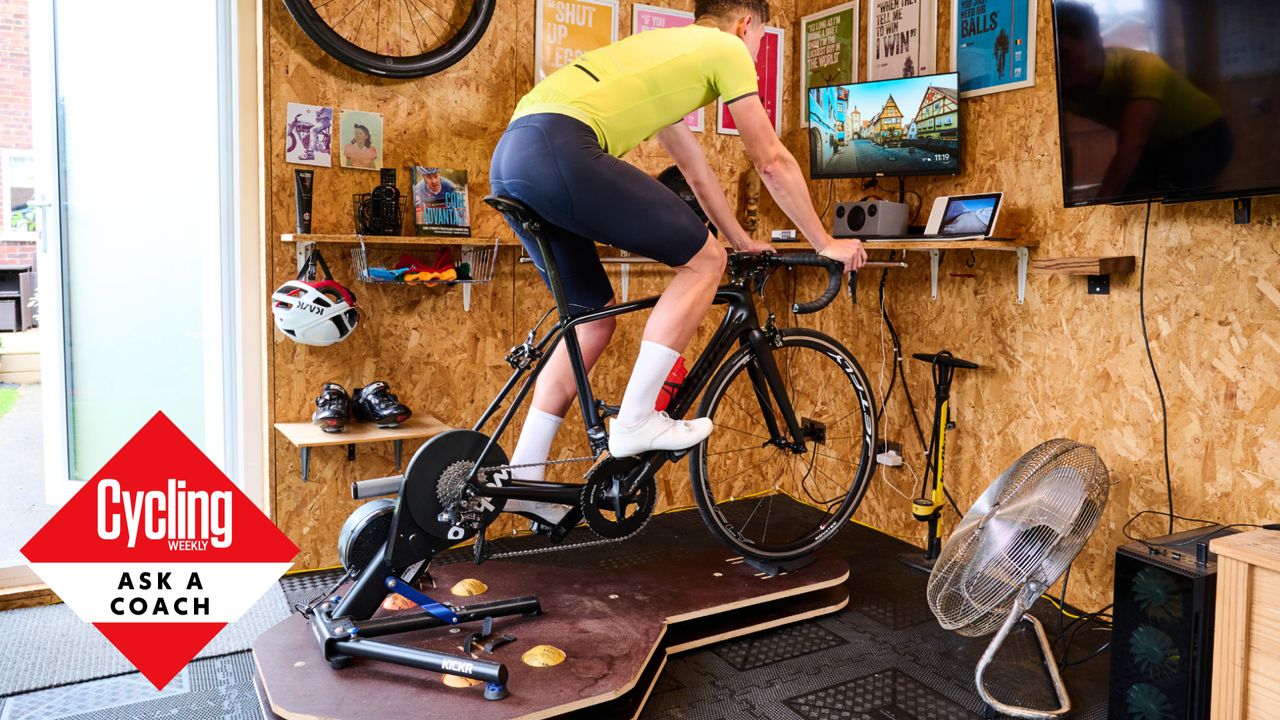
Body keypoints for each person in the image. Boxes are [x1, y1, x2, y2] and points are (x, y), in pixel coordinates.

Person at [488, 0, 866, 524]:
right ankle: (639, 419)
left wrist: (738, 238)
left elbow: (695, 174)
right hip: (561, 147)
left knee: (591, 321)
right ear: (745, 24)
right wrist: (824, 240)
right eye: (758, 43)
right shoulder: (726, 47)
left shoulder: (661, 57)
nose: (753, 58)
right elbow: (772, 161)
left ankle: (527, 480)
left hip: (512, 158)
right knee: (702, 264)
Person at [1055, 2, 1232, 201]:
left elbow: (1131, 145)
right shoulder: (1063, 85)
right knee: (1130, 195)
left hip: (1206, 136)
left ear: (1096, 43)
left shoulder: (1142, 67)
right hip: (1156, 141)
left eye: (1065, 52)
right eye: (1054, 55)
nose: (1059, 63)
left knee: (1152, 197)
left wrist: (1098, 208)